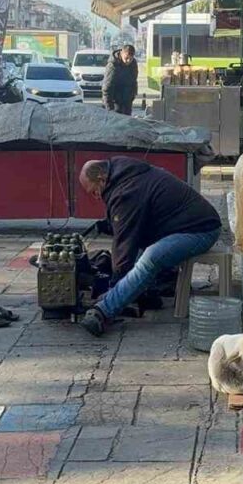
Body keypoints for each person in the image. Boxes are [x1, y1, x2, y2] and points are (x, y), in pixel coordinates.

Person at [77, 158, 222, 336]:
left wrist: (115, 285)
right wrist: (106, 225)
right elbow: (132, 221)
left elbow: (124, 244)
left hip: (201, 231)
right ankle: (147, 293)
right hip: (183, 225)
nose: (97, 196)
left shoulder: (126, 191)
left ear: (101, 178)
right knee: (141, 252)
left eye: (95, 191)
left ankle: (104, 311)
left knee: (151, 258)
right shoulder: (126, 175)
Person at [103, 45, 138, 115]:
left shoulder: (133, 64)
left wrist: (133, 95)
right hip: (115, 102)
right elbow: (107, 87)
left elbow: (134, 81)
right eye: (126, 58)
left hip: (127, 102)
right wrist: (109, 108)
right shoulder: (113, 65)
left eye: (130, 59)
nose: (128, 61)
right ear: (121, 54)